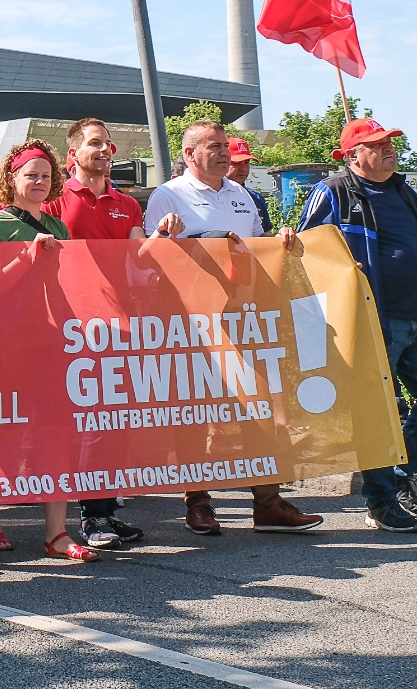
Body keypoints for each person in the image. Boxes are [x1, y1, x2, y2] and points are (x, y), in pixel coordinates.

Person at [144, 120, 321, 535]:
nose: (224, 153)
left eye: (225, 146)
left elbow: (257, 249)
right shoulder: (167, 195)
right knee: (196, 414)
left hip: (244, 321)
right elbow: (149, 259)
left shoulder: (240, 194)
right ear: (189, 154)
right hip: (192, 324)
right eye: (214, 146)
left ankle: (267, 503)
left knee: (259, 408)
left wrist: (282, 241)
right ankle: (198, 501)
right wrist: (163, 239)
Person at [299, 118, 417, 533]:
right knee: (377, 412)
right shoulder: (332, 190)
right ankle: (382, 502)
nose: (388, 148)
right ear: (353, 155)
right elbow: (303, 250)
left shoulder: (405, 191)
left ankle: (400, 475)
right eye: (376, 144)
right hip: (369, 320)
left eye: (389, 142)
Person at [0, 140, 100, 563]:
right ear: (13, 178)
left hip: (48, 341)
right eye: (31, 174)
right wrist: (28, 255)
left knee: (56, 432)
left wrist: (75, 328)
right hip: (6, 340)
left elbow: (62, 286)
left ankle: (57, 533)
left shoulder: (58, 227)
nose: (40, 182)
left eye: (46, 176)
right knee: (4, 429)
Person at [42, 118, 165, 549]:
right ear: (72, 153)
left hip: (118, 321)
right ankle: (92, 517)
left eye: (108, 144)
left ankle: (104, 510)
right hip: (73, 324)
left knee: (114, 421)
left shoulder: (128, 204)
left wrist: (162, 237)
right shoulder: (56, 200)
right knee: (89, 420)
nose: (105, 150)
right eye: (95, 143)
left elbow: (137, 257)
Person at [226, 137, 272, 233]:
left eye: (246, 163)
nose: (243, 168)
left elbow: (265, 233)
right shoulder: (209, 196)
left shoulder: (256, 198)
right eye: (236, 163)